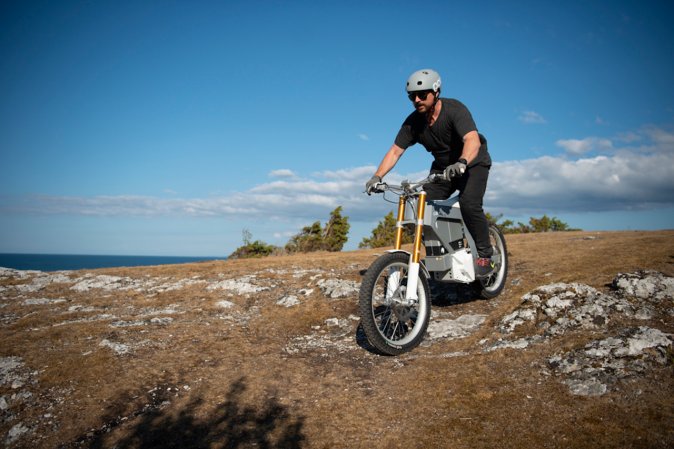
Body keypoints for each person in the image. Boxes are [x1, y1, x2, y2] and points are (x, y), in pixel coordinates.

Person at [365, 68, 495, 277]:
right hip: (443, 168)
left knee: (469, 203)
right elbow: (396, 151)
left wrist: (462, 161)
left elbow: (472, 139)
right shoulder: (413, 122)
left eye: (422, 95)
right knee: (419, 206)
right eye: (412, 97)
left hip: (472, 162)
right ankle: (440, 253)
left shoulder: (455, 109)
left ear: (436, 92)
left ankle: (485, 255)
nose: (417, 100)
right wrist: (377, 176)